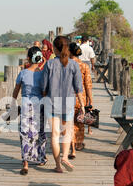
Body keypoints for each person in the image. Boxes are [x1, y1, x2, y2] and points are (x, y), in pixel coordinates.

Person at [42, 36, 85, 173]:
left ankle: (58, 166)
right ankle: (65, 157)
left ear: (54, 48)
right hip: (68, 103)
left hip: (52, 102)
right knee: (66, 133)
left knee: (54, 135)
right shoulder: (73, 64)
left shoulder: (49, 64)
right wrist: (83, 105)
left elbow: (43, 87)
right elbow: (79, 87)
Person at [12, 47, 47, 175]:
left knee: (25, 133)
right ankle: (41, 158)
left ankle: (25, 162)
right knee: (40, 131)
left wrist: (12, 102)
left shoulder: (23, 73)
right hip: (39, 105)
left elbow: (16, 89)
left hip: (26, 105)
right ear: (40, 58)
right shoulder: (43, 74)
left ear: (28, 58)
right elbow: (44, 92)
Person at [68, 42, 93, 159]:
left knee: (69, 122)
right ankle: (78, 143)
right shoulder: (84, 66)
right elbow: (88, 85)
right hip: (80, 98)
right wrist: (90, 101)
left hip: (67, 98)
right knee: (80, 122)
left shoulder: (65, 66)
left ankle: (70, 144)